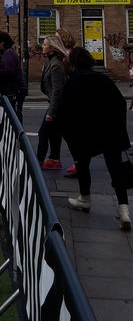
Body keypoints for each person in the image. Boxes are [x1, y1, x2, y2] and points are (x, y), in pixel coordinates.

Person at [62, 47, 131, 230]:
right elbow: (120, 103)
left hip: (85, 135)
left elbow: (66, 113)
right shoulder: (104, 79)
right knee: (116, 170)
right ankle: (124, 211)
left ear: (74, 64)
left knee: (83, 166)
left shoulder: (73, 83)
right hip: (110, 133)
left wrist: (70, 135)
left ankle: (85, 199)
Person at [36, 34, 68, 170]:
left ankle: (38, 161)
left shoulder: (56, 65)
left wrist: (51, 111)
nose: (42, 46)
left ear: (53, 48)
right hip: (56, 104)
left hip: (58, 105)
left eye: (44, 44)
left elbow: (57, 91)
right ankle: (55, 159)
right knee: (55, 133)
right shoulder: (50, 60)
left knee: (43, 132)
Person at [0, 31, 25, 117]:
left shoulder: (8, 53)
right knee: (0, 115)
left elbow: (9, 71)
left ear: (2, 42)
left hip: (13, 91)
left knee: (10, 117)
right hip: (8, 91)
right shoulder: (4, 53)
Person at [55, 28, 78, 177]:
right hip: (67, 99)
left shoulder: (70, 55)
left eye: (57, 37)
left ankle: (78, 164)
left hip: (72, 100)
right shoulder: (62, 55)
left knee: (72, 134)